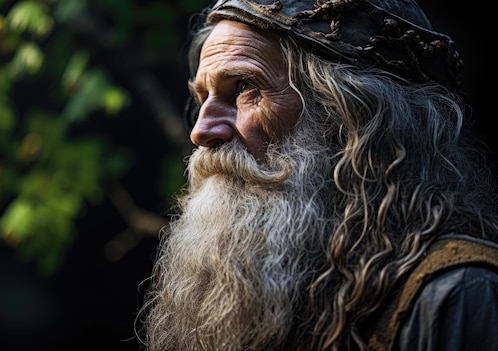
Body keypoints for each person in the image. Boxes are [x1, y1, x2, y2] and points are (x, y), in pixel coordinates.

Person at [136, 0, 498, 350]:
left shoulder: (458, 295)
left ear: (348, 117)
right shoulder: (262, 293)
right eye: (203, 97)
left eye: (245, 88)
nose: (200, 131)